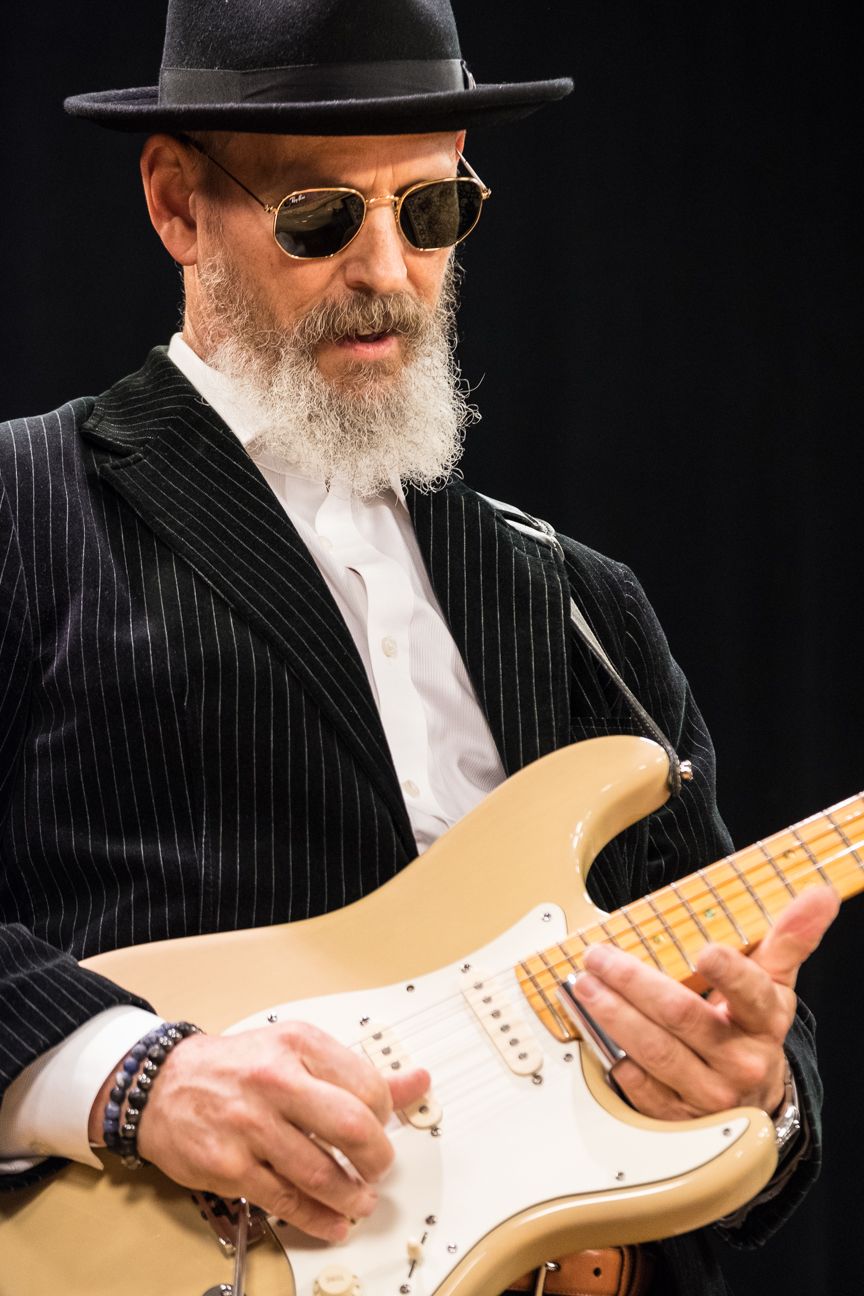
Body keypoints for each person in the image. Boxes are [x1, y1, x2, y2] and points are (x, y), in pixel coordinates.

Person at [0, 1, 839, 1293]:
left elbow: (759, 1062)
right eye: (320, 216)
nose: (388, 270)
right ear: (176, 205)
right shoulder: (24, 507)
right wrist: (130, 1077)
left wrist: (756, 1091)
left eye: (433, 209)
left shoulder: (584, 606)